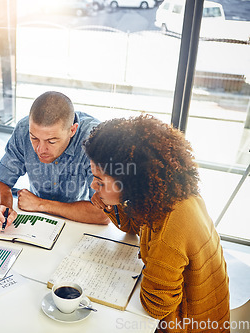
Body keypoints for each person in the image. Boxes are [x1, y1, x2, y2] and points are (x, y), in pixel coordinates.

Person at [84, 115, 230, 332]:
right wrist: (111, 204)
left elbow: (155, 305)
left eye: (100, 181)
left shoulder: (173, 223)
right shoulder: (164, 197)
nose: (93, 186)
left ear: (131, 182)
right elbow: (134, 227)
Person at [0, 91, 108, 230]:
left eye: (51, 141)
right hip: (37, 220)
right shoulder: (23, 129)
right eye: (34, 138)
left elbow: (104, 214)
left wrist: (41, 204)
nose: (40, 149)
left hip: (77, 224)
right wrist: (4, 209)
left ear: (72, 130)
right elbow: (1, 180)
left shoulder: (95, 139)